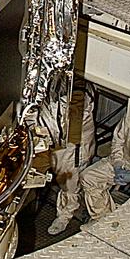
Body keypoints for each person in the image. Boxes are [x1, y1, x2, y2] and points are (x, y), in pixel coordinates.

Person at [47, 80, 96, 235]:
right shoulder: (55, 83)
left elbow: (71, 118)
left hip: (75, 146)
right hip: (60, 145)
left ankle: (65, 215)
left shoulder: (80, 91)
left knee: (71, 184)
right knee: (64, 179)